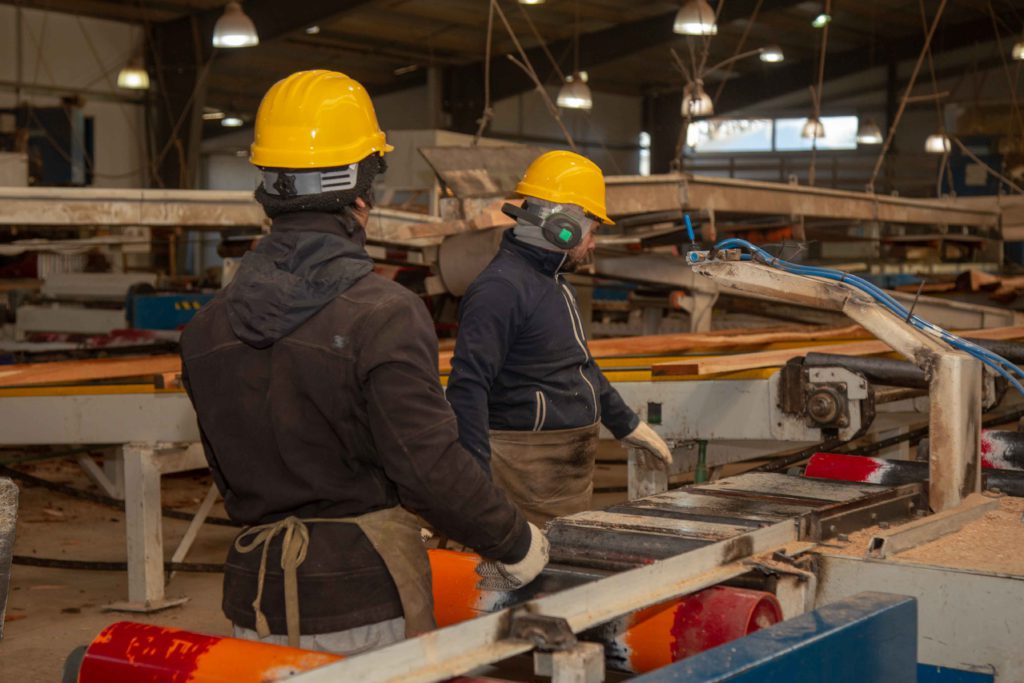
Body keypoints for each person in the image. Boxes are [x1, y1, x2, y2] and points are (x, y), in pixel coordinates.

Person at [180, 70, 548, 655]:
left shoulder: (205, 328)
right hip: (366, 600)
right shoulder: (385, 313)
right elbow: (428, 471)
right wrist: (516, 541)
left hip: (256, 603)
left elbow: (231, 474)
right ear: (360, 190)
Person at [446, 150, 674, 527]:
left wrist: (626, 424)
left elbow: (580, 364)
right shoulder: (501, 289)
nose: (594, 244)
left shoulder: (554, 284)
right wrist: (477, 491)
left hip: (561, 477)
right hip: (525, 478)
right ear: (563, 226)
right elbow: (467, 388)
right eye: (593, 230)